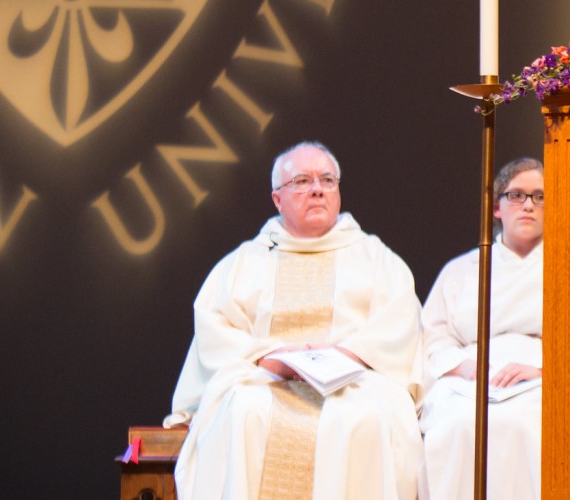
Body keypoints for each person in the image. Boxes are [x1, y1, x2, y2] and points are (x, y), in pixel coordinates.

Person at [163, 141, 424, 499]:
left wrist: (344, 357)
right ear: (277, 199)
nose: (317, 189)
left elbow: (398, 323)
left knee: (363, 418)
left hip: (353, 380)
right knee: (242, 412)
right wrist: (270, 358)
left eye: (327, 180)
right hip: (265, 379)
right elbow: (215, 327)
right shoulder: (246, 261)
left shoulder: (375, 257)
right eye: (302, 181)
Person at [418, 158, 545, 500]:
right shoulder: (462, 270)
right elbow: (434, 338)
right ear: (497, 208)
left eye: (539, 197)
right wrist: (463, 367)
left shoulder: (569, 267)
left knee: (522, 424)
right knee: (458, 424)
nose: (528, 205)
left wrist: (542, 370)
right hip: (470, 380)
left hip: (540, 379)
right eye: (516, 195)